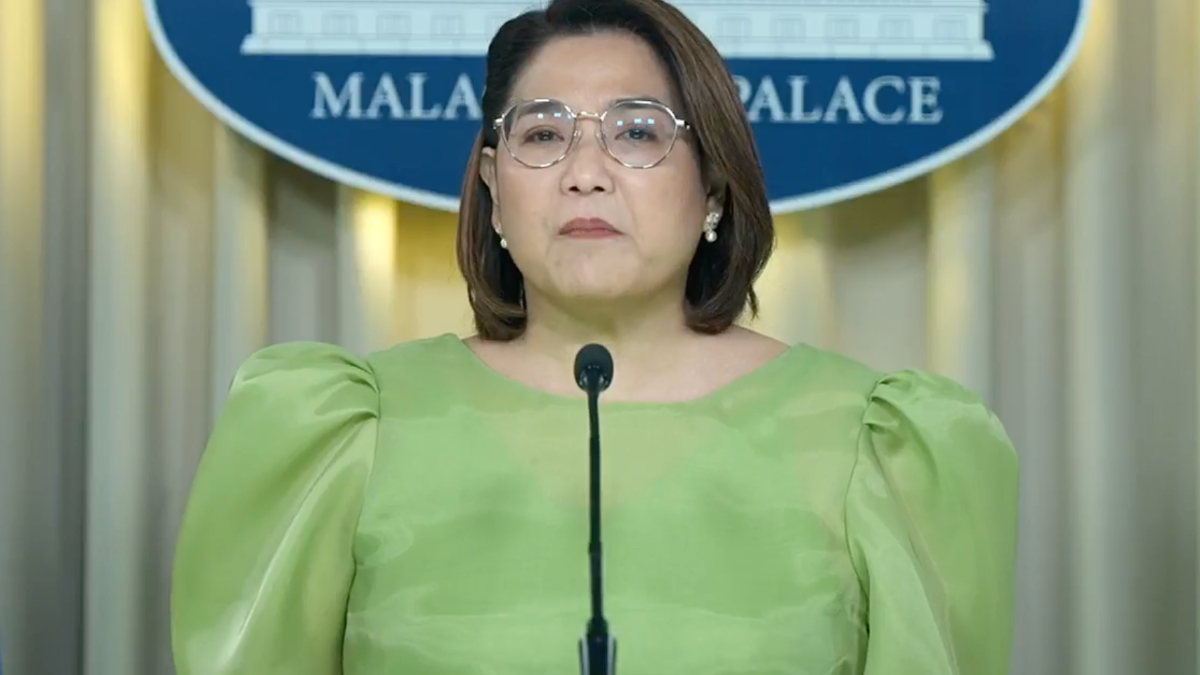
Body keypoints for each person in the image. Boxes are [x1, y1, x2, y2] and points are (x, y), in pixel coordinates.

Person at [169, 0, 1020, 672]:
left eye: (637, 131)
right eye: (543, 133)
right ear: (493, 189)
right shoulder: (349, 429)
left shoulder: (872, 440)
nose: (585, 173)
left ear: (713, 186)